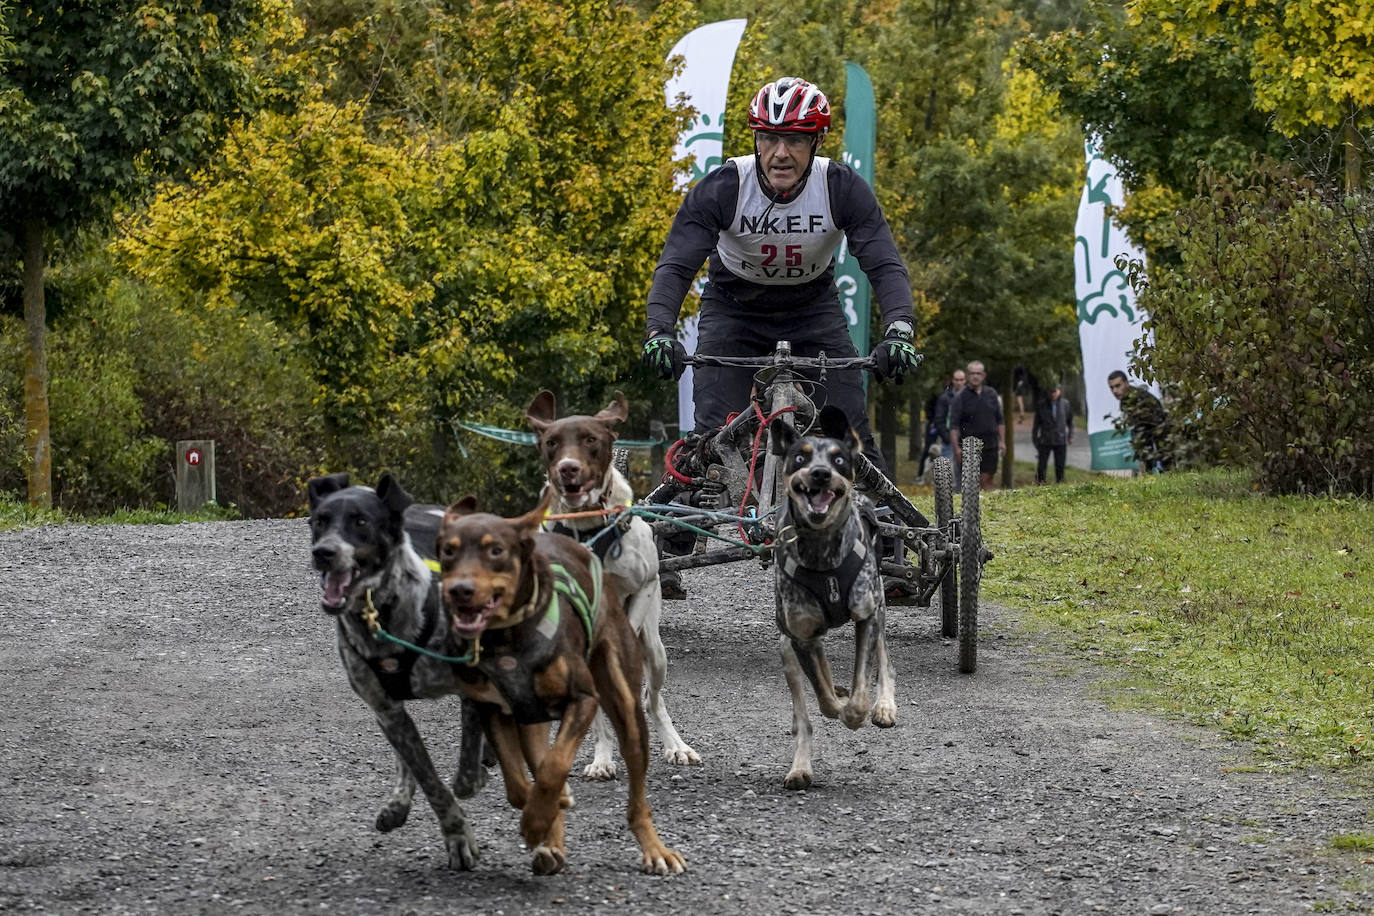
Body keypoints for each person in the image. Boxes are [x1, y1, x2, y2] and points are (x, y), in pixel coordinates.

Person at [639, 76, 919, 600]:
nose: (780, 152)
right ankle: (671, 543)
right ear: (755, 140)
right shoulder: (726, 186)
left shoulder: (841, 187)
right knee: (711, 434)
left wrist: (899, 327)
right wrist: (659, 331)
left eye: (795, 139)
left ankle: (888, 547)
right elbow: (676, 264)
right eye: (769, 137)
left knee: (850, 426)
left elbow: (883, 262)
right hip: (733, 310)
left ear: (816, 143)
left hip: (812, 311)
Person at [949, 361, 1005, 490]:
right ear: (968, 376)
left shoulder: (991, 394)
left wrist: (1002, 442)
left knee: (987, 480)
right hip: (969, 447)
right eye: (972, 373)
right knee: (972, 485)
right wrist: (956, 448)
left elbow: (1000, 420)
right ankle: (972, 508)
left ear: (983, 375)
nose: (975, 376)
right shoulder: (960, 397)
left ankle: (987, 507)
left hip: (991, 445)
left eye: (978, 373)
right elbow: (953, 425)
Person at [1107, 370, 1172, 472]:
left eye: (1118, 386)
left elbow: (1151, 424)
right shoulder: (1125, 400)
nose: (1114, 391)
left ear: (1126, 383)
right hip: (1149, 437)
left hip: (1161, 434)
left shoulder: (1137, 397)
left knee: (1166, 465)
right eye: (1111, 388)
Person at [1030, 379, 1074, 484]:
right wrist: (1036, 440)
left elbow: (1070, 422)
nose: (1053, 394)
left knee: (1060, 466)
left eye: (1055, 391)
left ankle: (1060, 484)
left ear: (1059, 391)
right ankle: (1040, 484)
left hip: (1060, 440)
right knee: (1041, 466)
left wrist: (1070, 435)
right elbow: (1036, 426)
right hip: (1045, 440)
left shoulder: (1065, 404)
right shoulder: (1041, 405)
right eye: (1051, 391)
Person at [933, 367, 966, 459]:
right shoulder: (945, 398)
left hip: (966, 439)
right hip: (950, 440)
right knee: (946, 470)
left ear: (965, 380)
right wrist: (947, 438)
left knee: (966, 471)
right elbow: (939, 419)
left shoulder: (971, 397)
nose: (959, 382)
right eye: (956, 380)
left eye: (961, 380)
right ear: (953, 380)